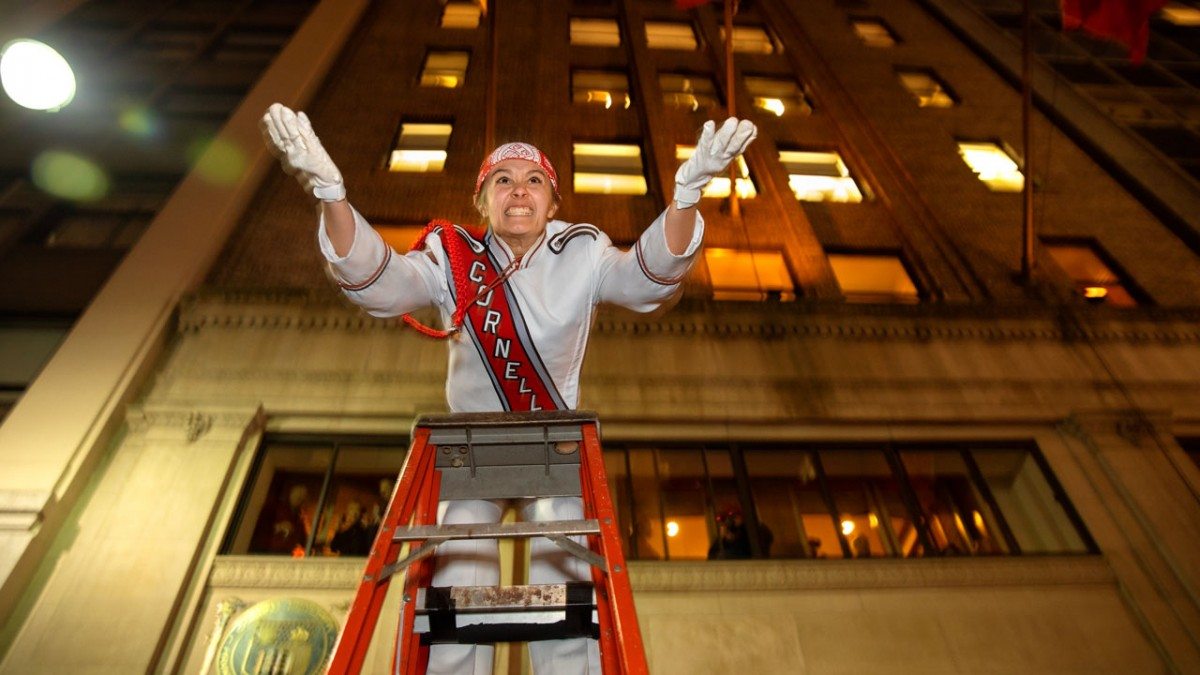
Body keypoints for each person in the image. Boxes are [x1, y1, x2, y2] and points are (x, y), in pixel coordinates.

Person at [261, 103, 756, 674]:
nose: (519, 191)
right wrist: (332, 195)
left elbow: (645, 279)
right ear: (483, 200)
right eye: (503, 180)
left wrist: (686, 196)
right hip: (471, 451)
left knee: (567, 605)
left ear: (552, 201)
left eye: (534, 181)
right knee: (454, 602)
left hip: (555, 446)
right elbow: (382, 284)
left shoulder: (584, 249)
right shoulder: (452, 257)